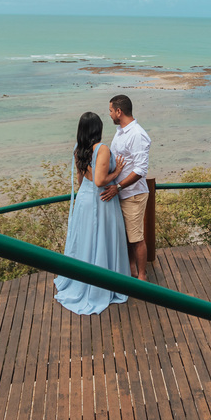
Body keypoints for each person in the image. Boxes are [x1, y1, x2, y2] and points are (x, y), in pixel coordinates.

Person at [54, 111, 130, 315]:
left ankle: (83, 279)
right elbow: (99, 181)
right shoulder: (101, 149)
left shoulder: (78, 149)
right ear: (98, 129)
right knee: (101, 240)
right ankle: (101, 286)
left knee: (86, 241)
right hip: (101, 200)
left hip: (84, 200)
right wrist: (117, 172)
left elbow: (81, 180)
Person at [102, 94, 152, 280]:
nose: (109, 114)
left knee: (136, 238)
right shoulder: (121, 132)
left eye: (110, 111)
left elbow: (140, 170)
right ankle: (131, 271)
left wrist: (118, 187)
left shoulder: (137, 135)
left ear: (119, 111)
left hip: (132, 194)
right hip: (121, 193)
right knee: (126, 236)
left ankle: (142, 277)